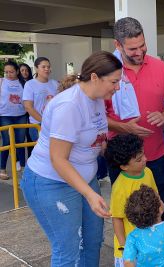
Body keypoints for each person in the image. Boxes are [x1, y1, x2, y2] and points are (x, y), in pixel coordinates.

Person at [20, 51, 121, 266]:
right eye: (114, 81)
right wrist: (90, 194)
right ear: (94, 78)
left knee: (93, 241)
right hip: (52, 183)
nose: (117, 87)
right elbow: (58, 159)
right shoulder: (69, 105)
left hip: (85, 179)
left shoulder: (96, 99)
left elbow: (95, 139)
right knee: (68, 248)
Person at [106, 16, 164, 259]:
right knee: (126, 210)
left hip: (156, 155)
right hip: (122, 159)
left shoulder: (159, 67)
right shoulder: (108, 71)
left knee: (162, 207)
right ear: (118, 45)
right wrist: (125, 128)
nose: (139, 52)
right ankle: (132, 255)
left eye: (142, 45)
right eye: (132, 48)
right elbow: (96, 116)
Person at [104, 134, 158, 267]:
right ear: (124, 166)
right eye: (139, 159)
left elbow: (156, 198)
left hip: (148, 240)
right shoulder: (119, 187)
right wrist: (125, 248)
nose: (145, 159)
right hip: (130, 246)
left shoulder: (148, 172)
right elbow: (117, 219)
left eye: (144, 154)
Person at [0, 60, 27, 180]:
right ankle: (2, 169)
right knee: (7, 142)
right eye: (6, 72)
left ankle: (22, 167)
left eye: (11, 72)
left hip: (21, 115)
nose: (8, 74)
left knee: (20, 142)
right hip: (5, 115)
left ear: (17, 71)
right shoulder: (1, 81)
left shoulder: (23, 83)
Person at [22, 57, 58, 141]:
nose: (47, 69)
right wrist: (43, 122)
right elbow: (28, 107)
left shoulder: (55, 83)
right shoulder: (30, 84)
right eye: (43, 67)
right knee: (42, 152)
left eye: (48, 67)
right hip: (37, 124)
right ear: (36, 68)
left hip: (54, 124)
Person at [19, 63, 34, 158]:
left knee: (30, 137)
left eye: (27, 70)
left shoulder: (33, 82)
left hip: (31, 113)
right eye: (22, 70)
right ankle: (18, 160)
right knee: (19, 138)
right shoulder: (17, 83)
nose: (25, 72)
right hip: (20, 113)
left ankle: (30, 157)